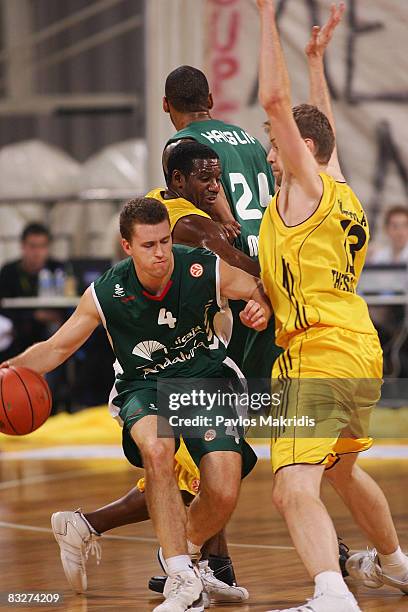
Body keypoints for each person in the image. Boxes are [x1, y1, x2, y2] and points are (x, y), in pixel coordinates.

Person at [1, 197, 271, 612]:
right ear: (126, 245)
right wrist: (8, 370)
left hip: (203, 381)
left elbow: (257, 287)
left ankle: (183, 556)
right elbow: (56, 349)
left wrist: (261, 305)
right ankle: (181, 572)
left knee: (222, 488)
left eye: (164, 241)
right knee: (158, 449)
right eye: (149, 245)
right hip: (143, 387)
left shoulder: (200, 267)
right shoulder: (106, 293)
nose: (161, 252)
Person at [49, 143, 259, 606]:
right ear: (179, 181)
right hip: (163, 377)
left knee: (210, 476)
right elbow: (248, 270)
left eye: (217, 178)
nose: (214, 186)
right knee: (186, 476)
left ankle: (198, 564)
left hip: (199, 370)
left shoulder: (190, 212)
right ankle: (180, 563)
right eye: (206, 178)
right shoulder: (185, 225)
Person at [256, 2, 408, 611]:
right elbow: (325, 132)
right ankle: (398, 563)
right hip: (358, 347)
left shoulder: (301, 184)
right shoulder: (338, 185)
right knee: (341, 470)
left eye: (277, 145)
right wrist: (316, 61)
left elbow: (274, 103)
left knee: (292, 485)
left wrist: (268, 18)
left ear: (300, 148)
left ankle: (330, 594)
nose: (270, 153)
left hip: (316, 350)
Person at [163, 64, 279, 381]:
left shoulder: (181, 145)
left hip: (231, 265)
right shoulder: (252, 141)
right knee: (266, 389)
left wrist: (226, 218)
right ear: (211, 100)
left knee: (226, 391)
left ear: (165, 104)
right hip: (268, 259)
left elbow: (203, 198)